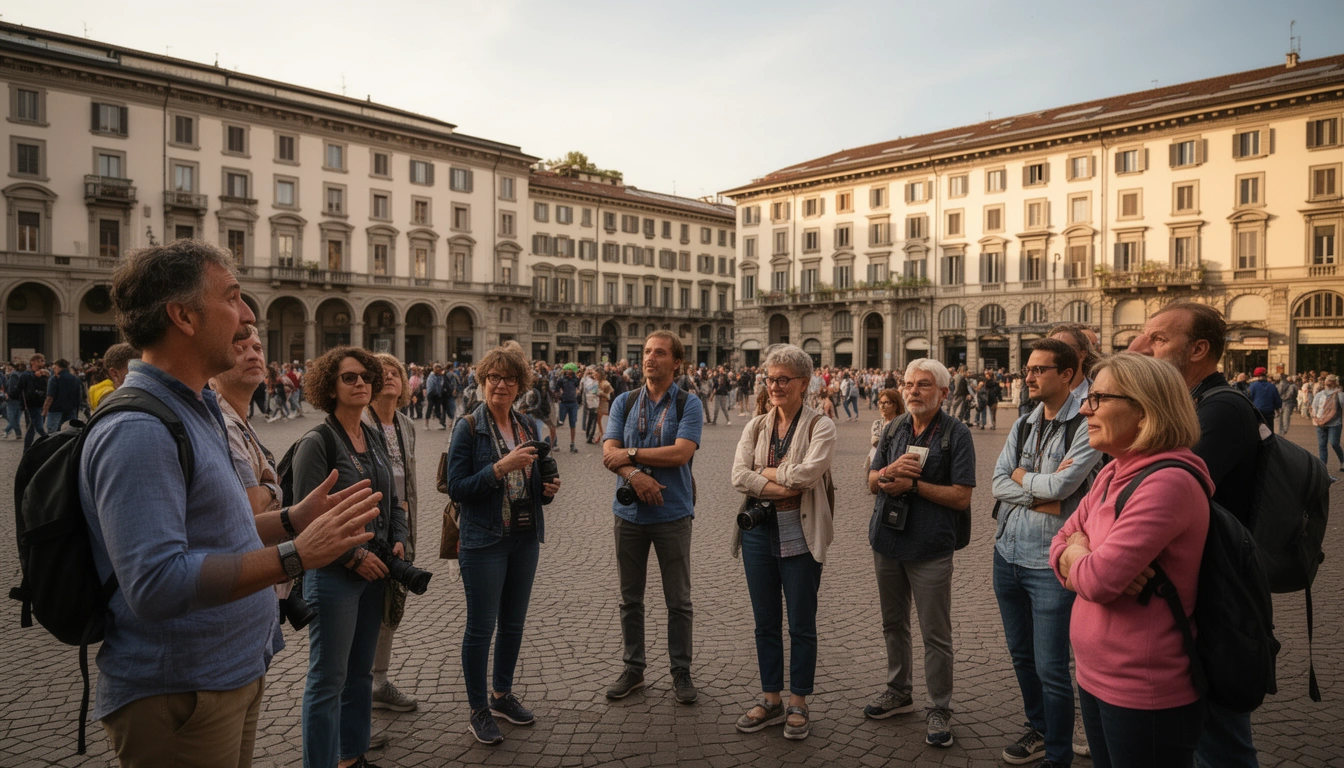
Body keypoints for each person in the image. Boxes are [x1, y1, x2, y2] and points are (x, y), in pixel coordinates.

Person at [81, 241, 383, 767]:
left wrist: (292, 519)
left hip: (225, 676)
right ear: (183, 316)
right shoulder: (140, 429)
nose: (248, 316)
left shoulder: (196, 409)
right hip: (182, 693)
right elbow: (155, 584)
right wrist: (297, 553)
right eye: (234, 297)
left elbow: (220, 527)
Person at [1050, 353, 1212, 768]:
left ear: (1144, 410)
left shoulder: (1167, 482)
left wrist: (1081, 555)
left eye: (1098, 397)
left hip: (1145, 688)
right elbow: (1058, 543)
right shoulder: (1113, 471)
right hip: (1095, 674)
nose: (1084, 407)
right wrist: (1079, 554)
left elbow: (1099, 581)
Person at [1125, 302, 1261, 767]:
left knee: (1220, 741)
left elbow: (1148, 486)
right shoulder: (1192, 405)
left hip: (1217, 595)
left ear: (1199, 349)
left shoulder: (1221, 409)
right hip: (1189, 589)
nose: (1144, 347)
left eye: (1158, 339)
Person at [294, 347, 408, 768]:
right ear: (330, 386)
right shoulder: (317, 442)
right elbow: (305, 523)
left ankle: (352, 756)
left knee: (360, 673)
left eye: (365, 376)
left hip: (375, 569)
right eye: (349, 377)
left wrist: (397, 537)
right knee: (327, 680)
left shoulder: (374, 433)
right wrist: (352, 556)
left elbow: (392, 498)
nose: (361, 383)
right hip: (335, 575)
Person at [992, 339, 1103, 767]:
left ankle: (1058, 755)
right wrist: (1034, 484)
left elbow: (1063, 489)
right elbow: (999, 482)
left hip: (1050, 562)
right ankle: (1038, 729)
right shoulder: (1024, 422)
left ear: (1069, 375)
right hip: (1007, 552)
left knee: (1052, 668)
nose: (1030, 376)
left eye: (1040, 369)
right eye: (1028, 370)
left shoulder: (1086, 426)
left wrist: (1023, 479)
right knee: (1022, 655)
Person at [447, 345, 561, 745]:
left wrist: (547, 489)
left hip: (524, 536)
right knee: (481, 629)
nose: (501, 385)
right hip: (484, 539)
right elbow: (457, 487)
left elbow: (536, 483)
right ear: (482, 381)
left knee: (513, 624)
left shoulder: (529, 426)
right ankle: (478, 708)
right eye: (493, 377)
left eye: (509, 378)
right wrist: (499, 468)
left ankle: (501, 695)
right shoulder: (469, 427)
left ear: (520, 385)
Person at [865, 359, 976, 748]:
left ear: (944, 393)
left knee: (935, 633)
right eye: (909, 384)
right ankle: (898, 691)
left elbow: (961, 497)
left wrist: (913, 486)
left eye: (924, 385)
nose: (913, 391)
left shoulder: (956, 434)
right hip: (887, 541)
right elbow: (871, 481)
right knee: (893, 624)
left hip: (930, 546)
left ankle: (939, 707)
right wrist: (888, 473)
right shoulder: (894, 427)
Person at [729, 344, 836, 740]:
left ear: (803, 383)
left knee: (802, 624)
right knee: (765, 622)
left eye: (782, 379)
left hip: (801, 532)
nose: (774, 386)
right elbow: (739, 476)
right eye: (769, 379)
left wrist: (766, 474)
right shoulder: (756, 424)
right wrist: (777, 481)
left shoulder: (820, 425)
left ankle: (798, 702)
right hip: (757, 533)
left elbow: (808, 477)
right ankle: (771, 698)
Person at [601, 331, 703, 705]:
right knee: (630, 598)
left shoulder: (688, 404)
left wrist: (630, 455)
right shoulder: (624, 402)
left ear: (676, 362)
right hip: (628, 513)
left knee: (678, 600)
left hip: (672, 512)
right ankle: (634, 668)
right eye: (646, 352)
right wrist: (635, 475)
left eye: (659, 353)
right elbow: (607, 452)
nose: (650, 358)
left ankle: (681, 671)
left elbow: (680, 454)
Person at [363, 354, 421, 719]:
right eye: (380, 373)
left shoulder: (406, 425)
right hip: (371, 532)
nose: (389, 377)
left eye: (395, 372)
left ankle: (378, 682)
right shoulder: (359, 423)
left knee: (390, 609)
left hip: (402, 528)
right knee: (365, 610)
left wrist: (408, 532)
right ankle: (358, 686)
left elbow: (409, 484)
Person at [1311, 374, 1344, 469]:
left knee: (1334, 443)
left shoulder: (1339, 395)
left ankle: (1343, 460)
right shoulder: (1319, 394)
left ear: (1334, 383)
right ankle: (1323, 465)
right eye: (1327, 381)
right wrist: (1316, 419)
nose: (1329, 383)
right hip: (1320, 423)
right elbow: (1314, 407)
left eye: (1331, 381)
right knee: (1322, 445)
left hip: (1335, 424)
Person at [42, 359, 83, 433]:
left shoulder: (54, 379)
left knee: (53, 432)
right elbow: (79, 396)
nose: (53, 369)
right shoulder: (75, 379)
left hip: (55, 409)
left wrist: (45, 410)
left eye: (54, 367)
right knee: (70, 431)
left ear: (58, 366)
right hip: (70, 408)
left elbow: (50, 396)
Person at [19, 353, 49, 450]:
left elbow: (48, 387)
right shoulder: (26, 375)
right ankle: (50, 443)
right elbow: (21, 388)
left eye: (43, 361)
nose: (42, 363)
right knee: (39, 427)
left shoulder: (45, 374)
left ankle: (26, 449)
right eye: (39, 361)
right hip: (32, 404)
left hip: (42, 403)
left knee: (32, 427)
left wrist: (46, 375)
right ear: (33, 362)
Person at [869, 388, 905, 469]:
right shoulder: (877, 424)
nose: (882, 406)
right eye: (880, 402)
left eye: (886, 403)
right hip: (877, 464)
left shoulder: (903, 424)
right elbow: (875, 442)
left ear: (895, 405)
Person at [553, 362, 582, 452]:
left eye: (572, 370)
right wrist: (559, 394)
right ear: (566, 370)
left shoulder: (575, 379)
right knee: (559, 423)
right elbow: (556, 389)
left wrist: (578, 392)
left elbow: (578, 386)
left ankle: (572, 444)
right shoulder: (561, 379)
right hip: (564, 403)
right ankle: (554, 442)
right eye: (569, 369)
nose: (570, 371)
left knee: (573, 424)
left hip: (573, 403)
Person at [5, 361, 25, 439]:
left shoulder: (14, 375)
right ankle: (18, 433)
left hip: (13, 399)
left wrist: (9, 395)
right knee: (17, 418)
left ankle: (6, 431)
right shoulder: (24, 375)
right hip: (20, 399)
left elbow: (12, 388)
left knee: (12, 418)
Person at [425, 363, 447, 430]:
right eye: (438, 369)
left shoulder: (440, 376)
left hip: (437, 394)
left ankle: (440, 423)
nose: (440, 371)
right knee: (429, 408)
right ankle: (426, 424)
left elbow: (441, 384)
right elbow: (431, 386)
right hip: (431, 394)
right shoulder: (431, 376)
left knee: (438, 409)